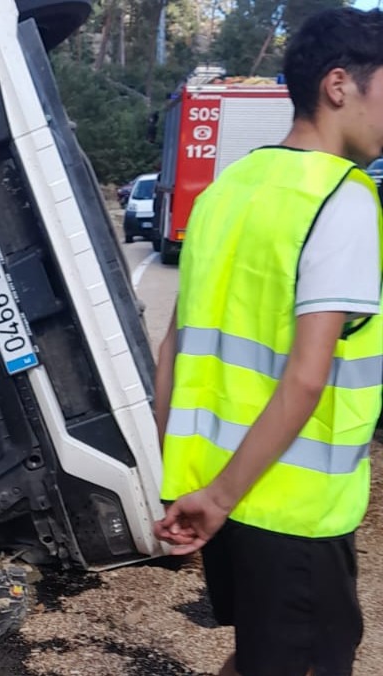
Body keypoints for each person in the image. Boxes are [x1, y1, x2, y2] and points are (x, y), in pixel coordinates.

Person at [153, 8, 383, 676]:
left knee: (265, 654)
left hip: (218, 492)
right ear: (340, 85)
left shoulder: (229, 190)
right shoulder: (341, 200)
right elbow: (307, 377)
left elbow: (172, 350)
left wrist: (188, 490)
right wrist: (218, 499)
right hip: (289, 509)